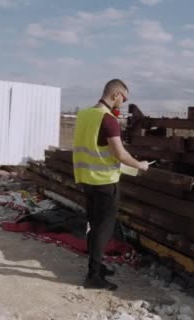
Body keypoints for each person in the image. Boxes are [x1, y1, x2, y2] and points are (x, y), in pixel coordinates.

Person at [72, 79, 149, 290]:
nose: (122, 103)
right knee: (103, 229)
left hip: (86, 178)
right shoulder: (108, 120)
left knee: (94, 225)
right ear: (115, 94)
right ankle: (93, 275)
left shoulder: (85, 115)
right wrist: (140, 165)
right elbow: (120, 154)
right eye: (123, 98)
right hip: (105, 182)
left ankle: (96, 265)